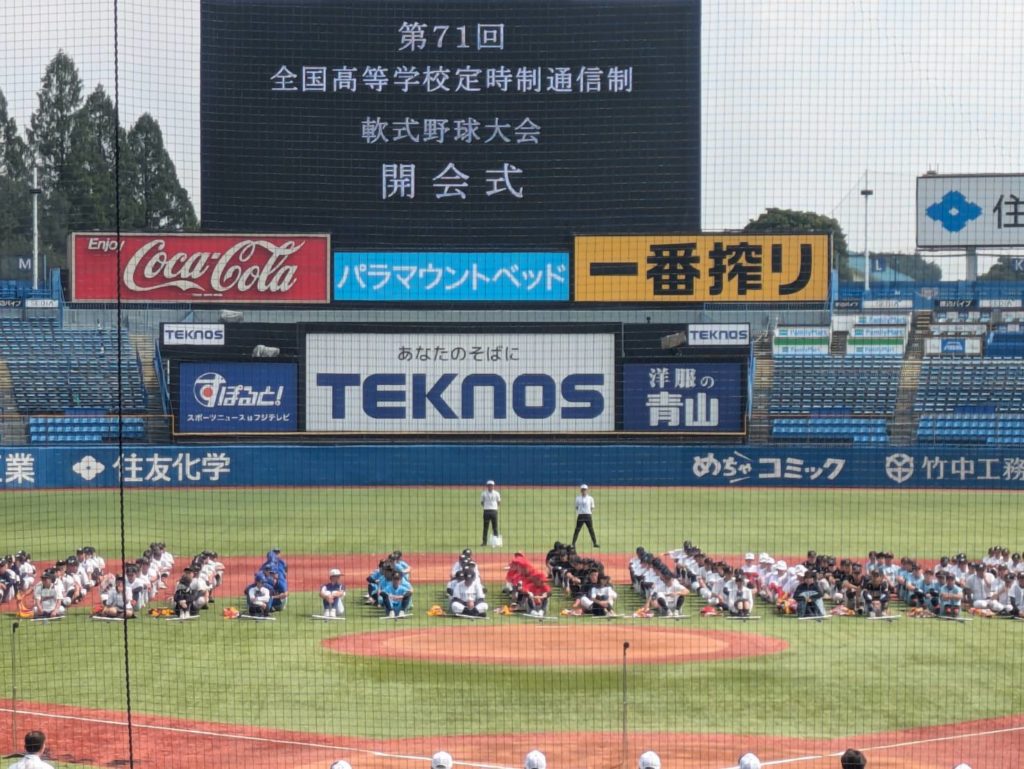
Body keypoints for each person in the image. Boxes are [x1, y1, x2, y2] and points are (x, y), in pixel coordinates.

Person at [571, 484, 599, 548]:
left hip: (588, 515)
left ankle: (595, 543)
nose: (584, 491)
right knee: (577, 530)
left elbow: (592, 507)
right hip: (580, 515)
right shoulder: (578, 498)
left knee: (591, 529)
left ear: (587, 490)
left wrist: (588, 512)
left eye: (585, 490)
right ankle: (573, 543)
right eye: (582, 490)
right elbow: (576, 507)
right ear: (581, 490)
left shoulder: (590, 498)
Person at [480, 480, 501, 546]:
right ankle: (484, 542)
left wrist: (494, 507)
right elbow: (482, 502)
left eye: (491, 485)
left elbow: (499, 502)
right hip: (486, 511)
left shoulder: (497, 493)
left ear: (493, 486)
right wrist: (487, 506)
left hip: (494, 511)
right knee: (485, 527)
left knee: (495, 527)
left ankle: (496, 542)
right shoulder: (483, 493)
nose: (490, 486)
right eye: (489, 485)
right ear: (487, 486)